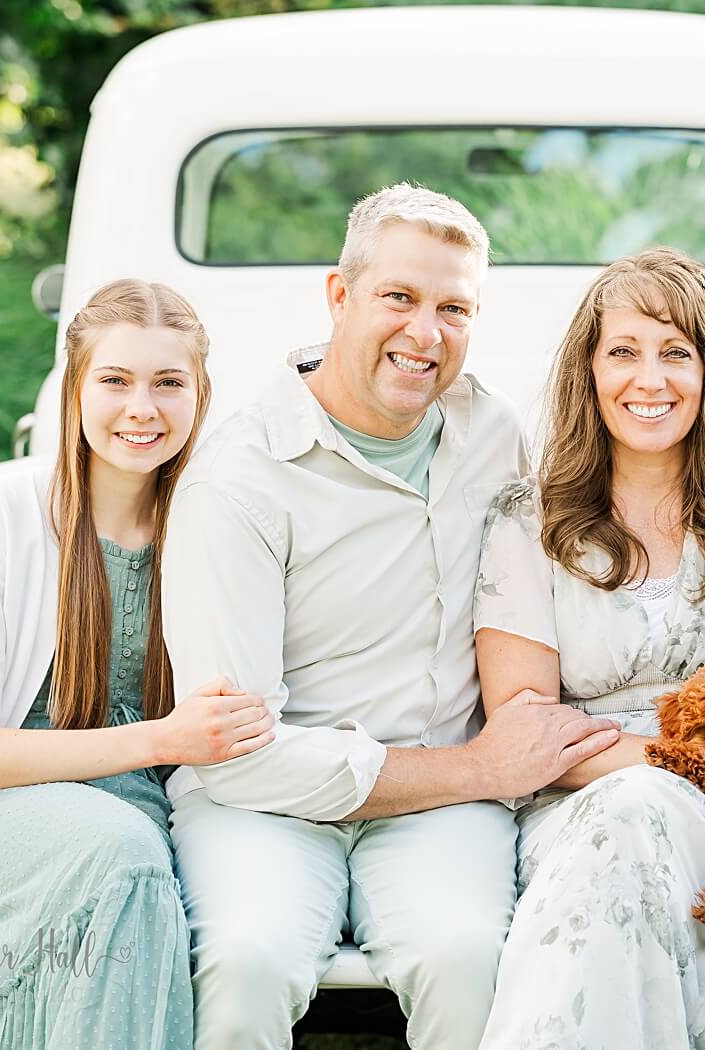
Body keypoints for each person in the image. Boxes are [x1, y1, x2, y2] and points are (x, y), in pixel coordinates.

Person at [158, 183, 620, 1050]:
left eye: (455, 308)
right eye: (399, 298)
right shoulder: (241, 479)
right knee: (244, 964)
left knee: (470, 957)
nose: (426, 334)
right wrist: (481, 769)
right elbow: (237, 757)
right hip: (266, 808)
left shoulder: (492, 432)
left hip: (441, 812)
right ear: (340, 295)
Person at [0, 279, 274, 1050]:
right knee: (124, 861)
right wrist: (164, 739)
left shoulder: (218, 520)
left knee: (229, 909)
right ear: (74, 389)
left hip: (169, 803)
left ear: (200, 394)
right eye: (114, 380)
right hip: (9, 809)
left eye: (168, 383)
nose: (141, 408)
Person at [474, 247, 705, 1050]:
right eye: (624, 352)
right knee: (628, 813)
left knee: (639, 812)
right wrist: (665, 761)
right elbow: (525, 727)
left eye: (676, 353)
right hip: (569, 805)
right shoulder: (530, 519)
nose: (650, 380)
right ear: (589, 371)